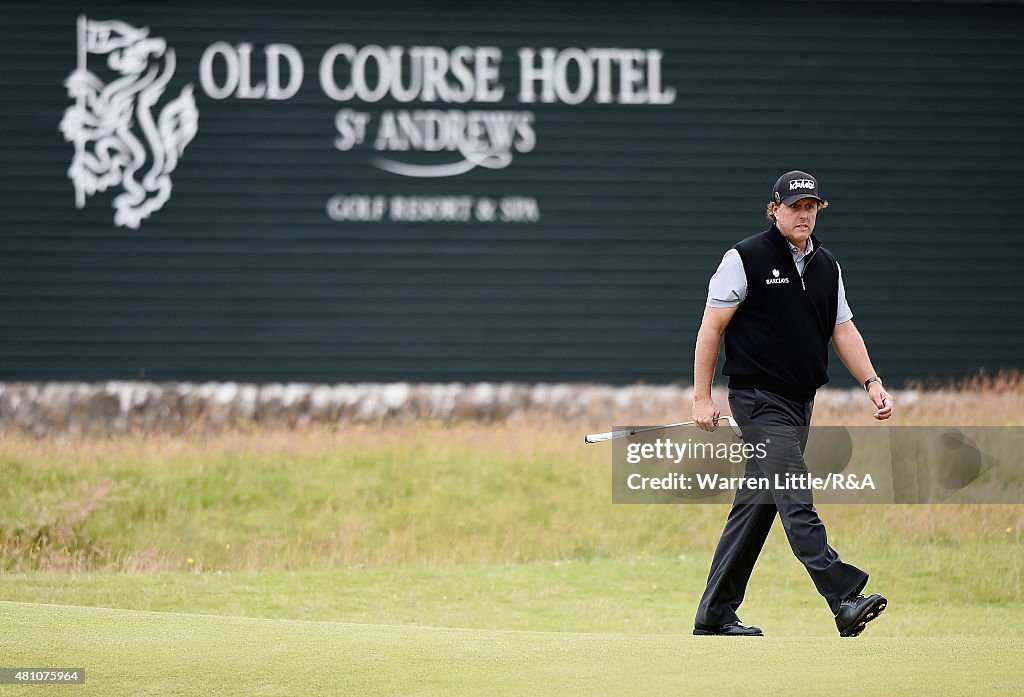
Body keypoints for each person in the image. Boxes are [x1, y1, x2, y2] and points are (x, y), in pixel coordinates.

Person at [690, 170, 893, 638]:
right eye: (794, 207)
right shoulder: (744, 258)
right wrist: (702, 398)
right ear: (774, 209)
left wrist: (871, 382)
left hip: (800, 404)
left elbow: (843, 329)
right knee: (795, 493)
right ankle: (843, 597)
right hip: (758, 401)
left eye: (811, 207)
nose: (803, 215)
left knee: (756, 506)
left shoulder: (827, 266)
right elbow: (710, 329)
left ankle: (714, 614)